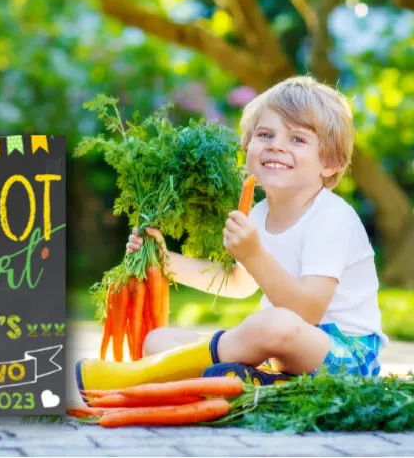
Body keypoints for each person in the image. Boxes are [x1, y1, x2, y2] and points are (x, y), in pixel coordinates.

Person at [76, 76, 388, 392]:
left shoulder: (332, 218)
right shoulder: (260, 213)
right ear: (248, 148)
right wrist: (166, 260)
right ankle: (257, 383)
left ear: (330, 163)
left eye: (297, 139)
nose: (276, 145)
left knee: (273, 322)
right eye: (265, 134)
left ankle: (132, 379)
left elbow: (306, 313)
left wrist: (253, 254)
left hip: (346, 357)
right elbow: (240, 283)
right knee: (159, 341)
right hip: (281, 354)